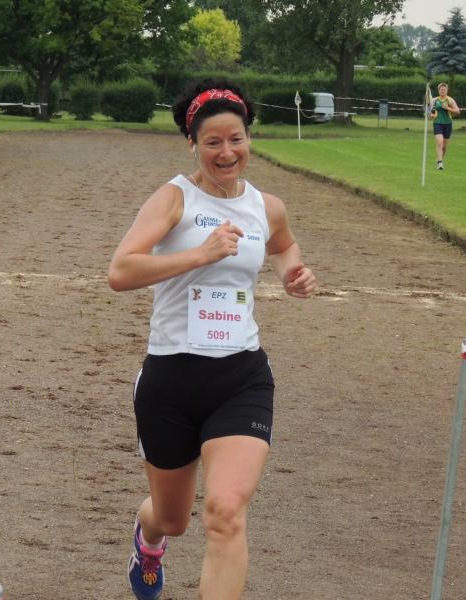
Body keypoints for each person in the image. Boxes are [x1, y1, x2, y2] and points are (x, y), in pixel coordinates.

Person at [108, 79, 317, 600]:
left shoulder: (267, 206)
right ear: (192, 144)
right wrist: (199, 255)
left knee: (225, 512)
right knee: (173, 519)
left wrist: (293, 274)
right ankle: (149, 538)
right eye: (213, 142)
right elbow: (121, 271)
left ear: (250, 138)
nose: (227, 153)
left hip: (240, 376)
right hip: (171, 378)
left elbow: (283, 247)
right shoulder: (174, 198)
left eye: (237, 139)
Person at [429, 82, 461, 170]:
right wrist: (431, 115)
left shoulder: (450, 100)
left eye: (444, 89)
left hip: (448, 124)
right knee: (440, 142)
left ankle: (439, 160)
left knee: (444, 147)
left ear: (447, 91)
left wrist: (448, 108)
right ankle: (440, 163)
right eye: (441, 89)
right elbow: (429, 112)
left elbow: (458, 111)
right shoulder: (434, 100)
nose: (443, 91)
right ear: (438, 90)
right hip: (437, 123)